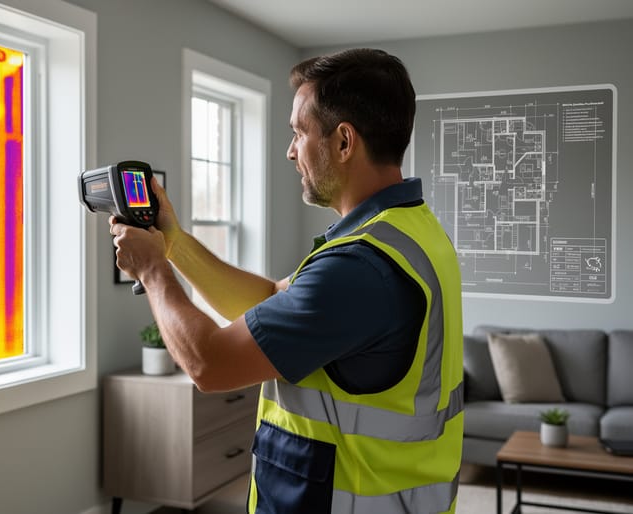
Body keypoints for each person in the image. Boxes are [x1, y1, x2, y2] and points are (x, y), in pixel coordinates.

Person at [109, 48, 464, 514]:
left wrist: (153, 272)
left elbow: (209, 366)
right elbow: (266, 302)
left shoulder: (359, 267)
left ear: (343, 142)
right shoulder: (403, 233)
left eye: (298, 132)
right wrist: (174, 244)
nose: (291, 151)